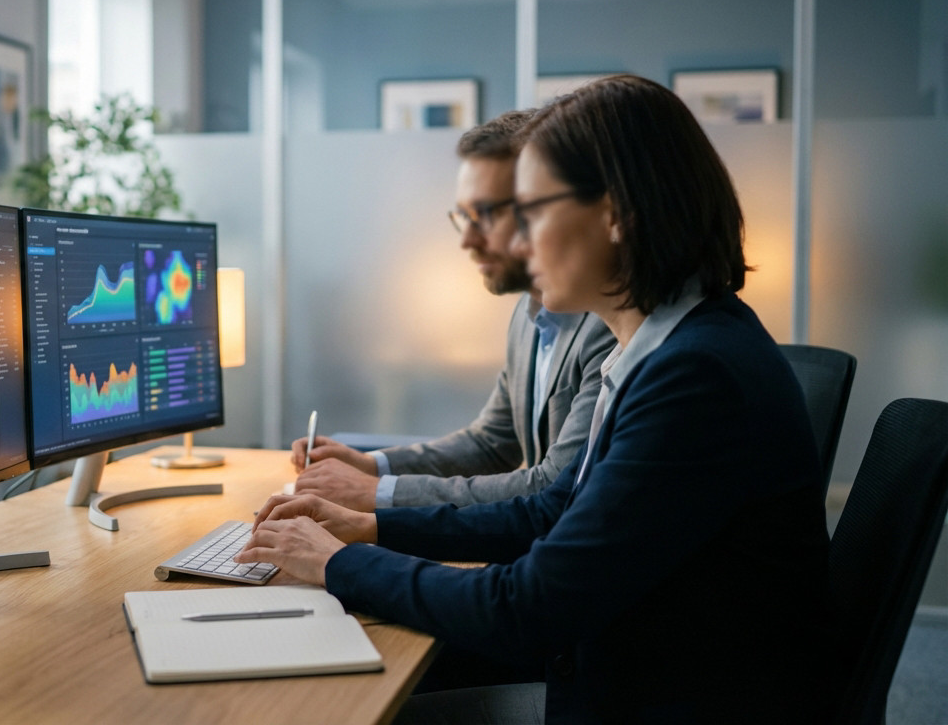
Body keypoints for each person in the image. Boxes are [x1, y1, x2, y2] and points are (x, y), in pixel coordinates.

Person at [239, 75, 831, 723]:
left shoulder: (695, 378)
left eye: (534, 212)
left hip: (663, 693)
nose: (517, 243)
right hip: (638, 652)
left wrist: (342, 564)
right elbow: (554, 507)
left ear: (614, 214)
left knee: (340, 698)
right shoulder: (675, 344)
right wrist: (373, 527)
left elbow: (531, 608)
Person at [292, 113, 613, 512]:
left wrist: (374, 496)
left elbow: (553, 486)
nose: (466, 240)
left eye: (485, 214)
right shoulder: (529, 314)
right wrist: (371, 466)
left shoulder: (611, 324)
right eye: (463, 216)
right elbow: (491, 442)